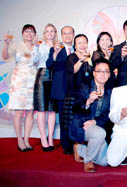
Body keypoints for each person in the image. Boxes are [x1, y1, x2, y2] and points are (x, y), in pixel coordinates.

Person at [70, 58, 113, 173]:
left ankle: (80, 149)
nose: (103, 74)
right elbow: (75, 107)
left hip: (96, 126)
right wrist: (88, 101)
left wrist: (95, 122)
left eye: (106, 71)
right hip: (82, 125)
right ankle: (88, 161)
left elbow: (109, 114)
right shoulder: (85, 86)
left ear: (109, 74)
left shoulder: (110, 91)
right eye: (100, 71)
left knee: (104, 161)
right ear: (94, 73)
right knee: (100, 133)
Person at [2, 24, 39, 151]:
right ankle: (19, 140)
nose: (29, 33)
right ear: (22, 33)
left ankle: (27, 140)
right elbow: (5, 57)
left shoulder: (37, 46)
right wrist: (6, 44)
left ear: (35, 34)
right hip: (19, 82)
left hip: (32, 82)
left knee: (30, 112)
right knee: (18, 112)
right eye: (26, 31)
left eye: (31, 31)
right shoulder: (17, 45)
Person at [46, 25, 75, 154]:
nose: (67, 36)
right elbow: (49, 65)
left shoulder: (78, 48)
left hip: (75, 90)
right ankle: (66, 145)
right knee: (64, 119)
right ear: (61, 36)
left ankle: (75, 142)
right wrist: (55, 54)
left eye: (70, 33)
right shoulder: (55, 49)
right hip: (61, 89)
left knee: (75, 118)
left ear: (74, 34)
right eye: (65, 33)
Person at [33, 23, 58, 151]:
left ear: (55, 33)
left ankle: (50, 138)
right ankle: (43, 137)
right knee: (42, 110)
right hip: (42, 75)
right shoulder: (39, 45)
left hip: (55, 77)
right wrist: (35, 48)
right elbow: (34, 60)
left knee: (52, 110)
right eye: (47, 31)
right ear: (44, 33)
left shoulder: (58, 46)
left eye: (52, 31)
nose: (49, 33)